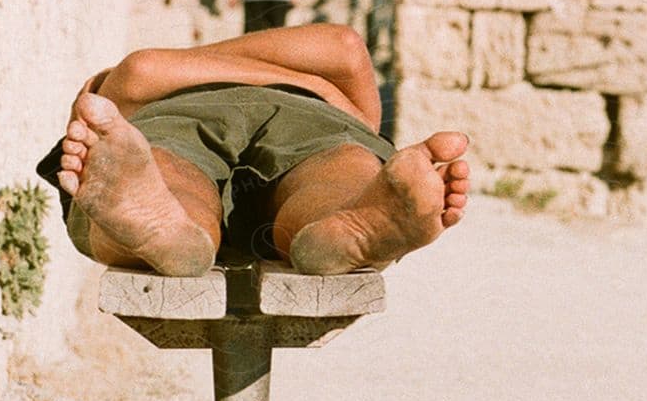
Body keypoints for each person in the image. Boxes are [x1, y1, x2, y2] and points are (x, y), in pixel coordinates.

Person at [37, 24, 469, 277]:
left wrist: (138, 72)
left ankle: (177, 231)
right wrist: (312, 83)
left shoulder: (130, 85)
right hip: (310, 113)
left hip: (178, 111)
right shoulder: (322, 87)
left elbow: (143, 68)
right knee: (339, 171)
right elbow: (344, 49)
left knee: (169, 172)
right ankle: (344, 224)